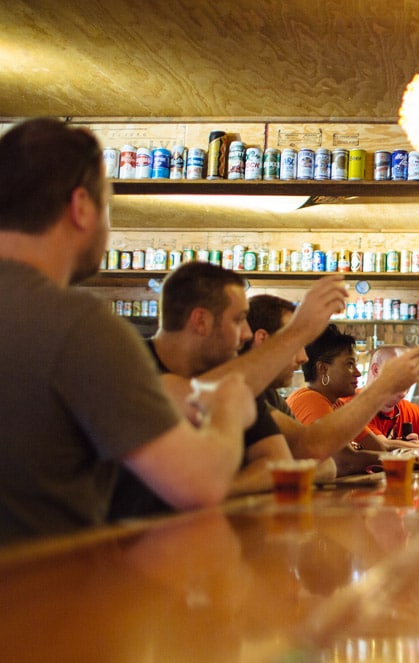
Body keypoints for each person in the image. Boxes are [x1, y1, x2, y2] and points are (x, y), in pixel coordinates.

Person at [0, 118, 256, 544]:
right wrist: (229, 408)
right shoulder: (77, 324)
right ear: (80, 207)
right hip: (39, 600)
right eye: (107, 207)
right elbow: (198, 482)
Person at [110, 262, 297, 518]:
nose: (247, 333)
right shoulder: (127, 364)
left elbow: (278, 461)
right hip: (118, 545)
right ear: (201, 321)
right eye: (239, 319)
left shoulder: (231, 374)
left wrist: (220, 491)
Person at [244, 295, 419, 476]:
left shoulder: (269, 396)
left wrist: (418, 455)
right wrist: (383, 386)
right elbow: (333, 460)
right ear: (323, 369)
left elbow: (370, 449)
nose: (302, 358)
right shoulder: (308, 399)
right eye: (349, 364)